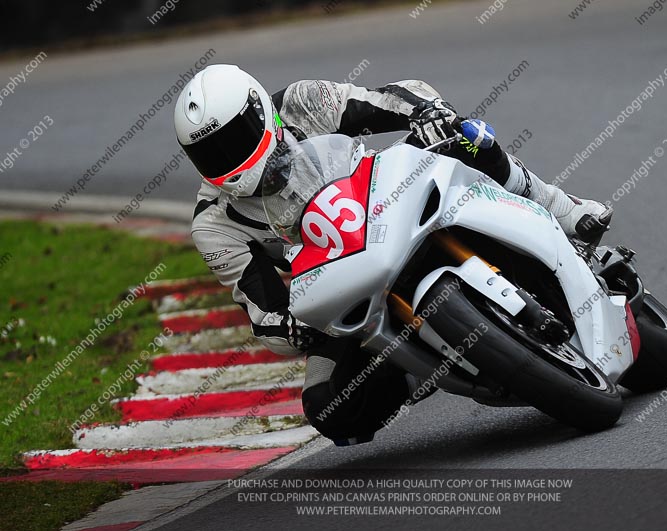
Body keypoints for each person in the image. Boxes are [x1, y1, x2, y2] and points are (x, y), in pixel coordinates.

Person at [174, 64, 611, 446]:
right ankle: (414, 366)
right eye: (210, 153)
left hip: (388, 196)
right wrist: (291, 329)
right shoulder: (213, 225)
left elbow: (391, 96)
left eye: (235, 139)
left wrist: (427, 113)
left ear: (258, 111)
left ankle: (564, 209)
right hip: (346, 283)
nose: (227, 158)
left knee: (466, 135)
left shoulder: (300, 102)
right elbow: (262, 311)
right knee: (328, 406)